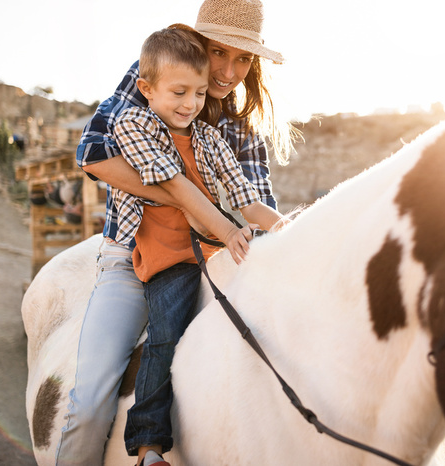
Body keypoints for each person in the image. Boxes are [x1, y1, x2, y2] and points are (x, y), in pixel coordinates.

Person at [55, 1, 295, 465]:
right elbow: (95, 155)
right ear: (197, 44)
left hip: (212, 259)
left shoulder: (239, 131)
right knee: (86, 404)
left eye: (243, 59)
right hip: (131, 255)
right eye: (219, 52)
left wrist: (285, 230)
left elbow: (253, 208)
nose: (228, 71)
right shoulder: (154, 78)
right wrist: (189, 200)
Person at [111, 27, 281, 466]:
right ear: (146, 89)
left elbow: (245, 198)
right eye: (180, 92)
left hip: (210, 257)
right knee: (165, 334)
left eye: (200, 94)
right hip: (170, 260)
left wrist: (286, 227)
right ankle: (148, 445)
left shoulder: (208, 138)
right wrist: (226, 232)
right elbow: (175, 184)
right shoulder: (134, 124)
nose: (190, 104)